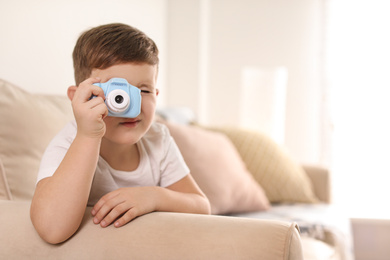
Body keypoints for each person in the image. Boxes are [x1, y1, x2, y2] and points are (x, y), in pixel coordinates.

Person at [30, 23, 210, 244]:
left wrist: (153, 196)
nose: (132, 105)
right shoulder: (68, 144)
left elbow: (202, 207)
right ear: (79, 97)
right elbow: (52, 229)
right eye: (117, 93)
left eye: (144, 90)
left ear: (156, 93)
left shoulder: (158, 139)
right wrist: (88, 136)